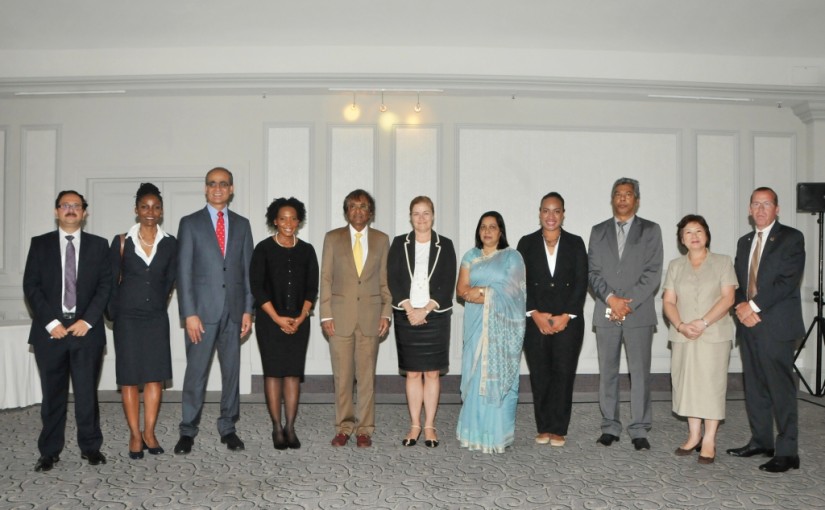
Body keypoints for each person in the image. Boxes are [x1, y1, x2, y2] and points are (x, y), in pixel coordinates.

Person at [23, 190, 112, 472]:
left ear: (85, 213)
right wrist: (51, 323)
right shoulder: (40, 245)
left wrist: (87, 321)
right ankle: (49, 452)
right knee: (53, 395)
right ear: (56, 211)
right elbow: (31, 286)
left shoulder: (100, 246)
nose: (71, 209)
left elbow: (105, 286)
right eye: (65, 205)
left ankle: (90, 448)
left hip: (86, 330)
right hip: (51, 332)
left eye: (76, 206)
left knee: (87, 394)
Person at [174, 167, 254, 455]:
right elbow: (183, 272)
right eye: (212, 184)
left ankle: (228, 427)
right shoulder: (190, 223)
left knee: (231, 373)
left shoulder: (243, 225)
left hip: (234, 312)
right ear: (205, 189)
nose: (217, 188)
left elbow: (247, 271)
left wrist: (248, 310)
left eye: (223, 184)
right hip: (202, 315)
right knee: (196, 373)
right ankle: (187, 430)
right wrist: (189, 313)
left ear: (231, 189)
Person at [726, 187, 805, 473]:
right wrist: (740, 308)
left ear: (777, 209)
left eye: (767, 204)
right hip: (748, 326)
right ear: (749, 209)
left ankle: (788, 452)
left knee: (780, 389)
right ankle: (761, 441)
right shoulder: (744, 241)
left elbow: (786, 281)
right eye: (755, 204)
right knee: (755, 387)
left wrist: (753, 307)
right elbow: (736, 282)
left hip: (776, 326)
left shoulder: (791, 238)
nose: (760, 209)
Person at [588, 177, 663, 451]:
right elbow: (592, 272)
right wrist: (611, 299)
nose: (622, 198)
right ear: (612, 199)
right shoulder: (598, 231)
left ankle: (640, 428)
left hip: (638, 312)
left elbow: (653, 272)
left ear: (637, 200)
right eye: (617, 194)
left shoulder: (651, 230)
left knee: (639, 373)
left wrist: (626, 303)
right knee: (607, 371)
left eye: (628, 194)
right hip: (605, 310)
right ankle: (610, 426)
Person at [109, 183, 177, 459]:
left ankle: (149, 432)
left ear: (161, 211)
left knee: (154, 378)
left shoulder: (171, 242)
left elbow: (170, 280)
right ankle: (135, 435)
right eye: (145, 206)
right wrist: (114, 314)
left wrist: (156, 304)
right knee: (129, 379)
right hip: (127, 318)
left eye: (156, 207)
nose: (151, 212)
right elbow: (110, 282)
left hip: (155, 318)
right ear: (136, 210)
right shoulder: (122, 241)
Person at [320, 189, 392, 448]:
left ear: (370, 212)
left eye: (363, 206)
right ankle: (344, 427)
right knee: (342, 376)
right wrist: (325, 314)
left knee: (366, 377)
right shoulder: (332, 238)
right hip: (339, 318)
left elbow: (385, 280)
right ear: (346, 211)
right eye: (352, 206)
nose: (358, 211)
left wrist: (386, 312)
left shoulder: (382, 240)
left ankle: (365, 429)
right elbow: (326, 278)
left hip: (371, 317)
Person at [662, 215, 736, 465]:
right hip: (684, 336)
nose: (693, 236)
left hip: (713, 334)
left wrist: (703, 322)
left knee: (712, 386)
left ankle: (709, 439)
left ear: (707, 234)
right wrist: (681, 325)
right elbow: (668, 301)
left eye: (698, 231)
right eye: (687, 232)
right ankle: (694, 435)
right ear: (681, 239)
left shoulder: (723, 262)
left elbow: (728, 299)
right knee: (688, 384)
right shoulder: (675, 266)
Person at [517, 192, 588, 448]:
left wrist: (566, 316)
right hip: (535, 319)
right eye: (546, 210)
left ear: (563, 214)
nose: (551, 216)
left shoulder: (576, 243)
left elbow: (581, 282)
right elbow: (519, 283)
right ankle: (543, 426)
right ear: (539, 213)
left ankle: (559, 428)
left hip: (567, 321)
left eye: (556, 211)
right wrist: (533, 313)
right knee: (540, 374)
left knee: (563, 373)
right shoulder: (525, 243)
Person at [250, 197, 318, 450]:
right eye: (282, 218)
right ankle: (276, 427)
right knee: (273, 373)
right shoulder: (263, 249)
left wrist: (300, 317)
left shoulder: (307, 250)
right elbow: (256, 286)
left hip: (300, 321)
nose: (288, 223)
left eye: (293, 218)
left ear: (298, 221)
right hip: (270, 321)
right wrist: (278, 318)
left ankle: (290, 427)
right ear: (274, 221)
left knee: (292, 373)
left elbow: (312, 288)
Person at [388, 196, 457, 448]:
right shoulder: (399, 243)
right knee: (413, 373)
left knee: (432, 372)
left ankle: (430, 426)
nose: (421, 218)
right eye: (416, 213)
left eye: (426, 213)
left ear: (433, 215)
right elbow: (392, 278)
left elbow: (448, 281)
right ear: (410, 216)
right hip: (406, 315)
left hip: (435, 316)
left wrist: (425, 310)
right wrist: (409, 308)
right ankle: (415, 424)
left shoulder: (445, 245)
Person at [456, 211, 526, 453]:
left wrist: (484, 293)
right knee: (474, 376)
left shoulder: (512, 258)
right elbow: (462, 290)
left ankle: (496, 436)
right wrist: (481, 292)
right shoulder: (470, 256)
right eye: (483, 227)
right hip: (475, 325)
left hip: (501, 329)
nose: (487, 231)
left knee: (495, 377)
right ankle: (474, 433)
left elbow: (515, 293)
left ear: (501, 231)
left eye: (492, 227)